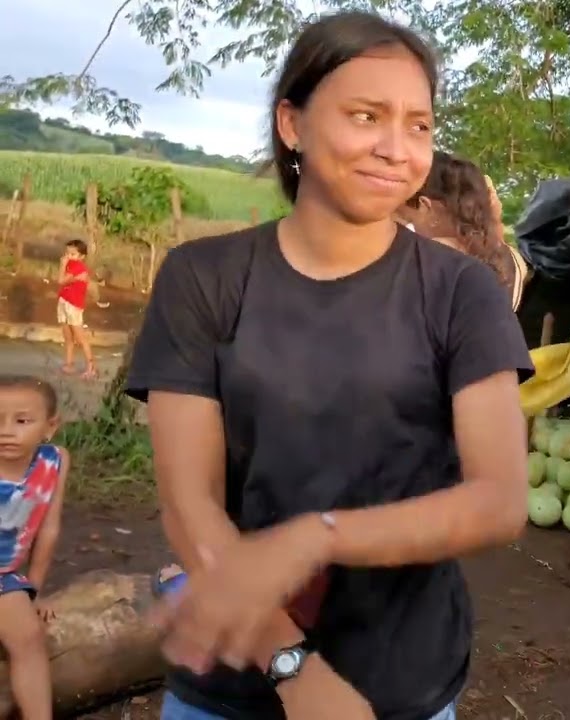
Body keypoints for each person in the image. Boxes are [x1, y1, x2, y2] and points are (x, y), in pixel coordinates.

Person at [124, 11, 532, 720]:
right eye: (366, 115)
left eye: (419, 126)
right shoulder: (205, 278)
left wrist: (315, 535)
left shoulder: (461, 291)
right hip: (231, 679)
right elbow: (191, 504)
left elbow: (498, 501)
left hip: (406, 678)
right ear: (293, 124)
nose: (396, 149)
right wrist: (293, 667)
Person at [0, 375, 68, 720]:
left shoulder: (53, 461)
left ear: (49, 426)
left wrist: (34, 592)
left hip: (5, 577)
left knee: (29, 637)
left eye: (22, 420)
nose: (6, 431)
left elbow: (49, 529)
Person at [397, 150, 529, 310]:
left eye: (410, 219)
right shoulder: (513, 260)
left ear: (425, 206)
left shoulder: (429, 258)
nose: (412, 229)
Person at [57, 239, 96, 379]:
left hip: (73, 305)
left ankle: (91, 367)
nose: (68, 256)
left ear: (81, 256)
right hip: (64, 301)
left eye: (72, 254)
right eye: (67, 253)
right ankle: (69, 363)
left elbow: (61, 281)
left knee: (80, 337)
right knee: (67, 336)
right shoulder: (70, 265)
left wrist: (62, 264)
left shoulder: (79, 268)